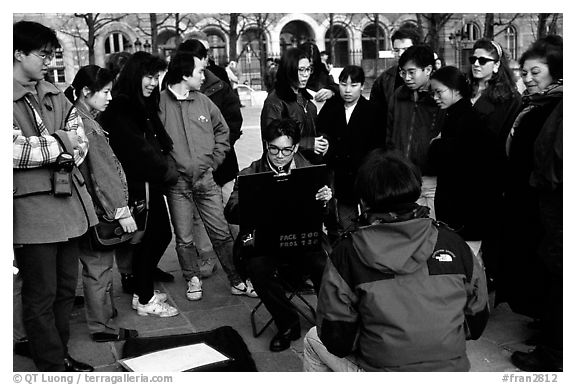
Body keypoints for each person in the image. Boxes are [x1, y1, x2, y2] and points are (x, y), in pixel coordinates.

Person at [302, 149, 489, 372]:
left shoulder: (347, 253)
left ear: (364, 201)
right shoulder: (453, 243)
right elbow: (476, 322)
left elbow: (336, 339)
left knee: (313, 340)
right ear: (415, 193)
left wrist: (379, 341)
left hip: (381, 369)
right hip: (450, 371)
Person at [13, 20, 98, 372]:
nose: (50, 61)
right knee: (41, 295)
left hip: (68, 207)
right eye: (44, 54)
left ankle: (58, 353)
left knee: (66, 291)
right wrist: (62, 142)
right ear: (17, 53)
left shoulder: (53, 92)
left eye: (52, 55)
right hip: (32, 214)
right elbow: (14, 152)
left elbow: (82, 143)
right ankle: (51, 364)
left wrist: (59, 145)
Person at [225, 118, 332, 353]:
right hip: (264, 240)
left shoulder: (310, 170)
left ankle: (329, 323)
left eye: (286, 150)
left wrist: (325, 201)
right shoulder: (250, 173)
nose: (279, 156)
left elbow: (327, 216)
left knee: (323, 264)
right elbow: (231, 212)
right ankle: (287, 323)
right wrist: (253, 200)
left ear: (295, 147)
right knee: (257, 268)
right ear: (266, 145)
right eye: (273, 149)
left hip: (302, 239)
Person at [159, 50, 257, 301]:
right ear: (184, 74)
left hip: (206, 179)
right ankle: (192, 278)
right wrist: (169, 169)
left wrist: (213, 162)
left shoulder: (203, 101)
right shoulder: (160, 104)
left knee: (222, 233)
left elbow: (223, 131)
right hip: (177, 184)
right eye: (200, 71)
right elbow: (153, 142)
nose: (204, 75)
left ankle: (237, 280)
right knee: (183, 238)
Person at [99, 51, 180, 318]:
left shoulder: (139, 103)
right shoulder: (122, 106)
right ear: (136, 74)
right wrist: (167, 170)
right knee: (154, 237)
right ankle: (144, 297)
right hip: (138, 186)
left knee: (154, 238)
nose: (153, 83)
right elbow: (137, 151)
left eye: (156, 77)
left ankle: (141, 292)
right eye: (149, 76)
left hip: (148, 183)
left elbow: (158, 141)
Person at [64, 65, 140, 342]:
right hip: (95, 211)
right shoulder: (88, 126)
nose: (110, 97)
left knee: (96, 268)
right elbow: (103, 172)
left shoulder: (74, 116)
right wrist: (122, 210)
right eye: (105, 91)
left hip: (81, 208)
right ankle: (101, 326)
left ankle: (104, 316)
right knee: (99, 270)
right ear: (86, 92)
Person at [500, 36, 563, 372]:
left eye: (534, 71)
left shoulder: (558, 105)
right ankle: (551, 329)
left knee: (559, 271)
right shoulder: (537, 103)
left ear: (556, 71)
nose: (527, 77)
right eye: (523, 72)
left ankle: (554, 351)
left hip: (552, 203)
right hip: (538, 202)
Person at [174, 39, 244, 278]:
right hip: (191, 171)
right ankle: (205, 258)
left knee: (232, 212)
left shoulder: (219, 85)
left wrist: (213, 158)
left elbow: (231, 126)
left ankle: (242, 255)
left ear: (205, 60)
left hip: (221, 166)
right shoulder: (171, 88)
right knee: (196, 219)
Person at [467, 38, 522, 289]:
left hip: (489, 177)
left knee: (486, 237)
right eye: (473, 59)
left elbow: (506, 143)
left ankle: (485, 285)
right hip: (462, 174)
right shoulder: (466, 90)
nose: (476, 64)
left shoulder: (508, 99)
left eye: (482, 60)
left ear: (497, 65)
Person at [317, 65, 383, 241]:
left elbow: (379, 145)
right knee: (347, 227)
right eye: (343, 84)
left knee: (372, 222)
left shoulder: (372, 111)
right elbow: (320, 132)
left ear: (362, 86)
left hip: (365, 176)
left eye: (353, 85)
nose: (347, 90)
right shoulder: (331, 107)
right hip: (340, 178)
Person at [427, 66, 489, 253]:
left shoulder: (465, 119)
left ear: (455, 89)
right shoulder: (456, 114)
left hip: (464, 209)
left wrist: (436, 146)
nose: (436, 97)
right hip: (459, 207)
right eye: (433, 93)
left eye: (439, 92)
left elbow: (457, 159)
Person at [386, 44, 443, 219]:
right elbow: (390, 130)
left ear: (428, 70)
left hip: (430, 179)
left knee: (431, 230)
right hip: (401, 176)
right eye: (403, 73)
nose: (407, 78)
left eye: (412, 72)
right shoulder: (398, 95)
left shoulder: (439, 96)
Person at [260, 47, 327, 164]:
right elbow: (273, 140)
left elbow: (313, 130)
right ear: (289, 70)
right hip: (287, 166)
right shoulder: (275, 101)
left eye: (308, 70)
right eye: (301, 70)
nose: (305, 75)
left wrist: (323, 141)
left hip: (309, 164)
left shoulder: (306, 99)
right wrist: (309, 144)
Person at [369, 23, 421, 121]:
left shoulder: (430, 77)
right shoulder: (384, 80)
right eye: (396, 50)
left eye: (406, 49)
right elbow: (375, 114)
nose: (400, 54)